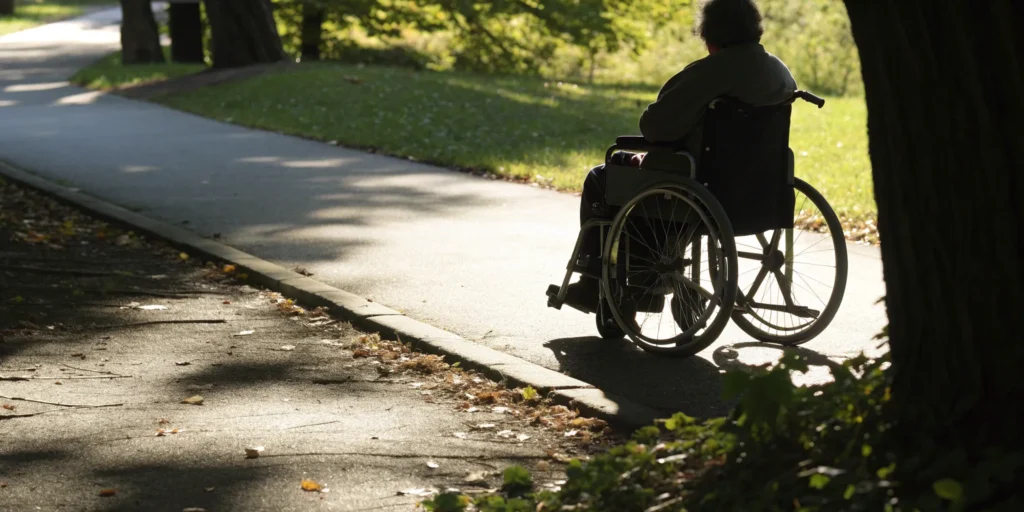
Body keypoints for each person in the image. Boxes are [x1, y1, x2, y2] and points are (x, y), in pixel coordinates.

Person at [560, 0, 797, 313]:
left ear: (710, 38)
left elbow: (655, 127)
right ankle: (658, 284)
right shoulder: (779, 72)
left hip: (699, 185)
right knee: (662, 181)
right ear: (755, 29)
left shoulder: (709, 73)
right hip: (759, 188)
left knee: (602, 179)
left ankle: (597, 283)